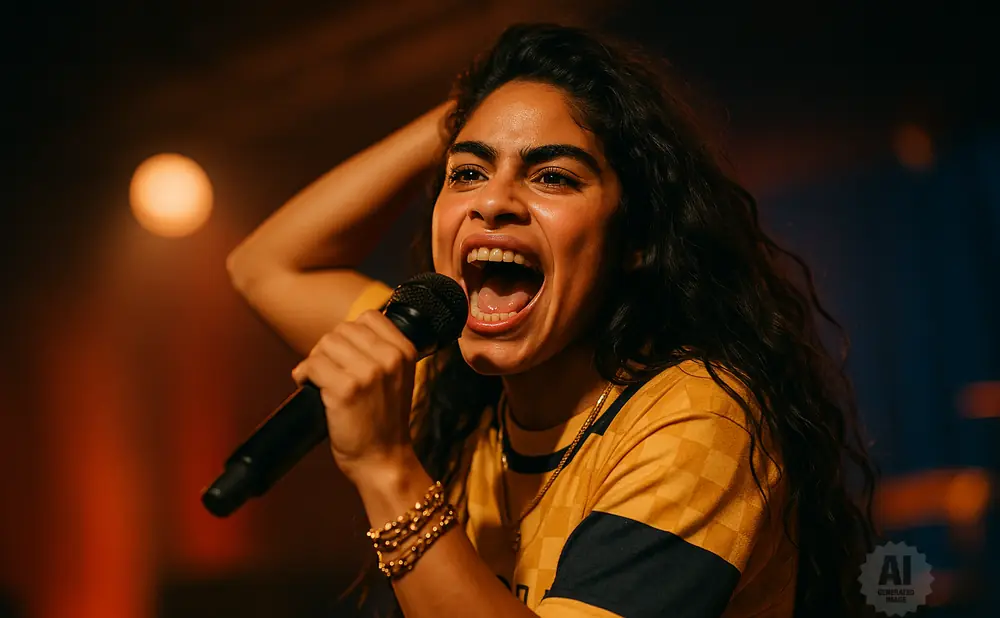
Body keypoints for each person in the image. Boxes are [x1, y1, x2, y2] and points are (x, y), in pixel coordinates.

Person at [227, 23, 876, 618]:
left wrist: (386, 468)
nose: (493, 202)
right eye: (469, 172)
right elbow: (266, 265)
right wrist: (472, 108)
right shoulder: (453, 391)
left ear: (636, 239)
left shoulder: (696, 420)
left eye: (553, 176)